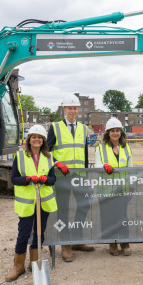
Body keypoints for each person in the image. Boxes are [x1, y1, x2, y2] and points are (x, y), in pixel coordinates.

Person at [5, 124, 65, 282]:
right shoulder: (20, 156)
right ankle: (18, 266)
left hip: (43, 201)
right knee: (24, 234)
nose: (36, 139)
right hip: (27, 202)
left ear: (43, 141)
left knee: (39, 233)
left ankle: (34, 262)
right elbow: (14, 179)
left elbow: (53, 179)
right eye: (34, 137)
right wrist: (29, 179)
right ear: (29, 140)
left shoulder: (48, 157)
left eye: (39, 137)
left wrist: (46, 180)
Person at [47, 95, 95, 262]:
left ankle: (77, 240)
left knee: (84, 206)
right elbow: (47, 151)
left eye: (75, 108)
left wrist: (86, 172)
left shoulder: (83, 128)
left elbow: (84, 152)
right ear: (64, 110)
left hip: (80, 175)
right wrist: (57, 163)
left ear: (78, 110)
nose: (73, 111)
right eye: (70, 108)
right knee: (64, 211)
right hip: (62, 176)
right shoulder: (55, 127)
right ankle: (65, 244)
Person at [95, 117, 133, 256]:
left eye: (118, 131)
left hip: (122, 189)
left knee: (122, 216)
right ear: (108, 133)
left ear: (121, 133)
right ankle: (112, 243)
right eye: (112, 131)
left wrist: (131, 186)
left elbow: (131, 168)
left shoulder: (126, 148)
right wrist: (104, 166)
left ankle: (124, 243)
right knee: (108, 216)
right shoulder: (100, 148)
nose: (115, 133)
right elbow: (98, 165)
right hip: (106, 189)